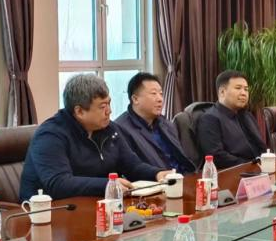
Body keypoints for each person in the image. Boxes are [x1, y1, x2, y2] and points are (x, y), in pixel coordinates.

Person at [19, 73, 174, 201]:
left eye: (109, 104)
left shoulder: (109, 129)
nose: (109, 111)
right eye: (102, 107)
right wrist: (108, 185)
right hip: (47, 214)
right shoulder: (50, 135)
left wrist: (157, 173)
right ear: (79, 111)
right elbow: (59, 184)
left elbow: (132, 165)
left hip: (97, 206)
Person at [113, 72, 195, 174]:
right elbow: (132, 169)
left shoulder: (166, 124)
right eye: (153, 94)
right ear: (135, 99)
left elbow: (183, 160)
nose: (160, 99)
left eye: (161, 94)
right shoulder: (121, 129)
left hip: (183, 177)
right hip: (157, 181)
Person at [195, 70, 265, 168]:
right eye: (238, 88)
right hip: (235, 172)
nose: (244, 93)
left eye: (246, 89)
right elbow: (217, 156)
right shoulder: (210, 119)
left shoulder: (247, 116)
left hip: (260, 168)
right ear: (222, 92)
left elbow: (261, 147)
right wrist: (250, 165)